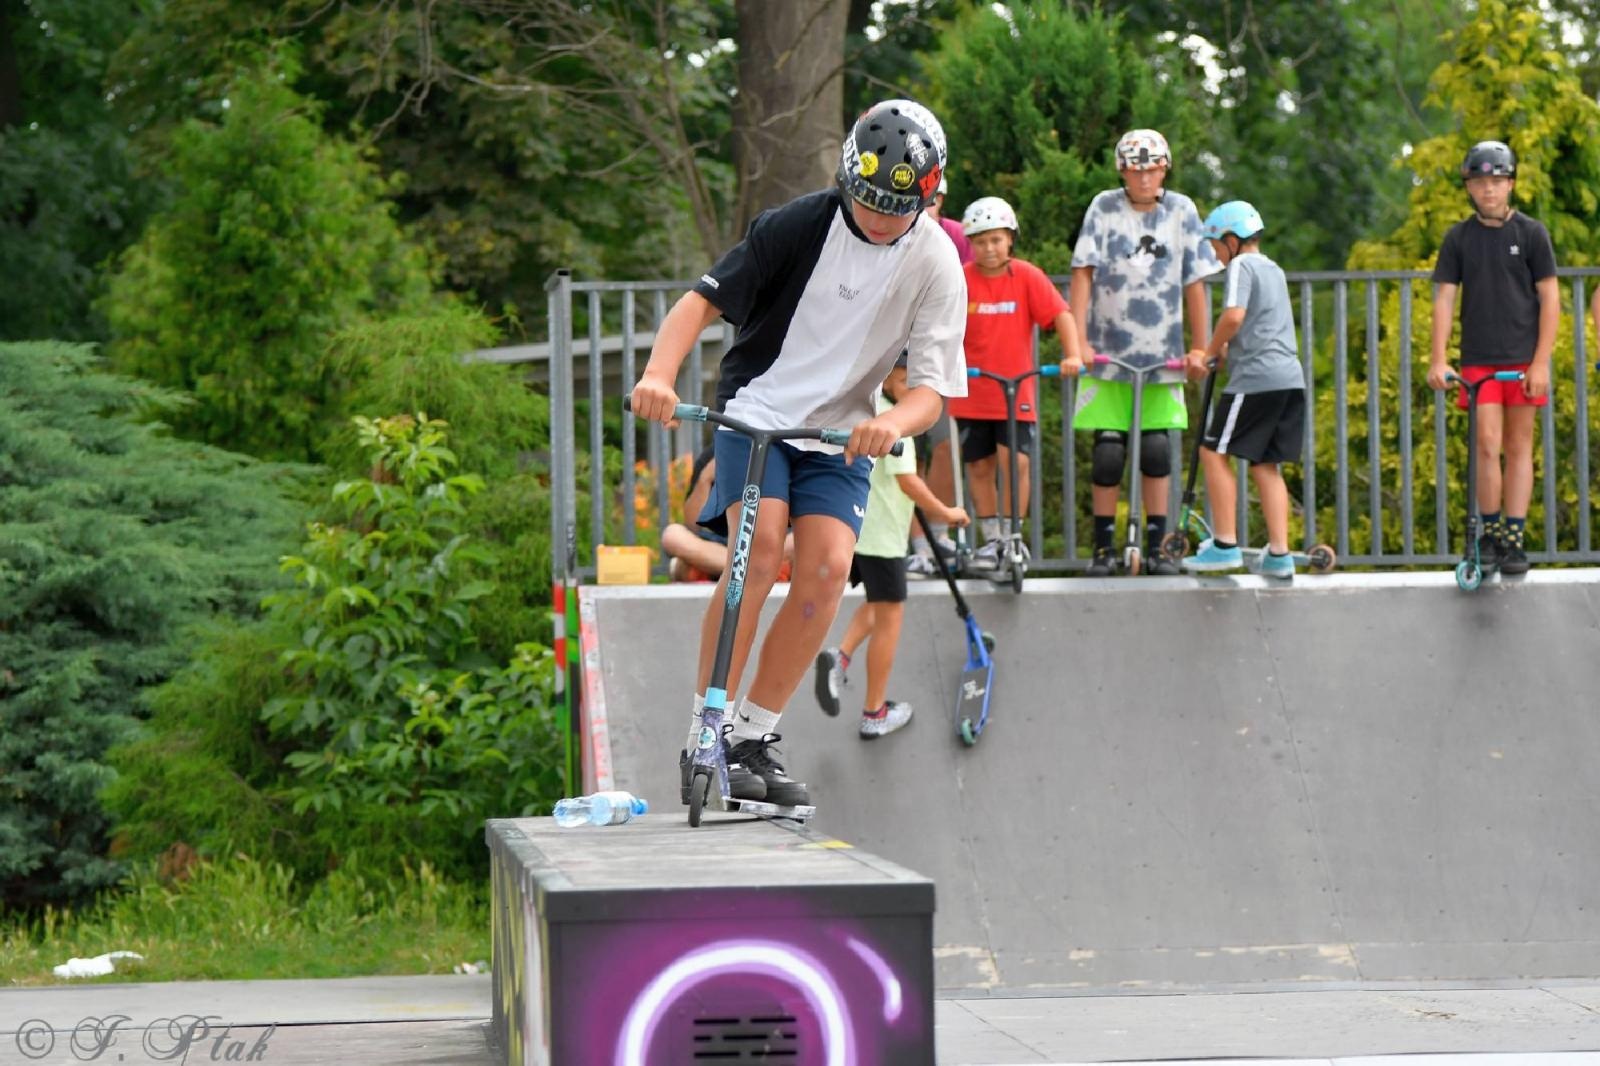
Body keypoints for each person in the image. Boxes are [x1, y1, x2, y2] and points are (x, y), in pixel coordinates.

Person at [629, 99, 967, 809]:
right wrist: (659, 374)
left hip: (841, 433)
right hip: (758, 412)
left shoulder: (937, 262)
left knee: (828, 571)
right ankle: (704, 732)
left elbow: (932, 391)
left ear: (928, 197)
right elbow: (699, 303)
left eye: (895, 209)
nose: (877, 219)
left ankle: (752, 738)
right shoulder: (798, 224)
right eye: (866, 201)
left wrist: (892, 420)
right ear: (847, 179)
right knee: (761, 551)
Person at [1065, 129, 1221, 576]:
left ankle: (1158, 547)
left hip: (1162, 353)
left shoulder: (1182, 210)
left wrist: (1199, 347)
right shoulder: (1103, 206)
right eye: (1136, 169)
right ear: (1123, 171)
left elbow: (1195, 281)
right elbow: (1082, 273)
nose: (1145, 178)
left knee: (1156, 450)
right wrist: (1077, 343)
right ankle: (1102, 548)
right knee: (1108, 454)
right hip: (1107, 351)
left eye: (1152, 169)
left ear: (1165, 169)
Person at [814, 358, 969, 737]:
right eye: (906, 381)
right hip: (881, 538)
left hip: (860, 530)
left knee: (878, 604)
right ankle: (874, 712)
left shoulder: (868, 412)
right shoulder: (899, 423)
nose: (914, 390)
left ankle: (840, 657)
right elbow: (908, 482)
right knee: (891, 618)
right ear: (890, 381)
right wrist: (946, 513)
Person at [1425, 140, 1557, 576]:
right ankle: (1489, 531)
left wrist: (1541, 362)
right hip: (1478, 360)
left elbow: (1550, 298)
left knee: (1519, 448)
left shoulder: (1532, 234)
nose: (1489, 190)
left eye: (1497, 181)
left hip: (1522, 359)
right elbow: (1444, 299)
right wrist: (1438, 358)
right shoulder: (1458, 238)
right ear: (1469, 187)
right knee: (1485, 445)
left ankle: (1514, 538)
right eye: (1480, 182)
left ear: (1511, 184)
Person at [937, 195, 1079, 572]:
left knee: (1015, 461)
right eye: (981, 241)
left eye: (996, 240)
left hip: (1016, 392)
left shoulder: (1028, 276)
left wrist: (1072, 354)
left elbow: (1061, 315)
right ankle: (992, 539)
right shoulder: (961, 279)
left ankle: (1014, 535)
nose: (989, 249)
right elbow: (941, 326)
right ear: (971, 244)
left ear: (1010, 239)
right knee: (980, 467)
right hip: (971, 392)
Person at [1180, 200, 1306, 579]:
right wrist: (1224, 351)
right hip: (1289, 379)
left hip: (1256, 380)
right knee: (1265, 464)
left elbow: (1233, 316)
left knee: (1212, 451)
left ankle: (1224, 545)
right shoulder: (1274, 269)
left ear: (1232, 240)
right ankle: (1280, 555)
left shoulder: (1241, 266)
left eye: (1216, 246)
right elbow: (1259, 324)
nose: (1216, 256)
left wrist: (1206, 351)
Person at [663, 446, 793, 582]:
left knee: (803, 537)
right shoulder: (713, 455)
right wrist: (705, 478)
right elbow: (692, 525)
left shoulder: (784, 454)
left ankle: (714, 569)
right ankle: (754, 571)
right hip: (719, 544)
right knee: (672, 535)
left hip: (770, 544)